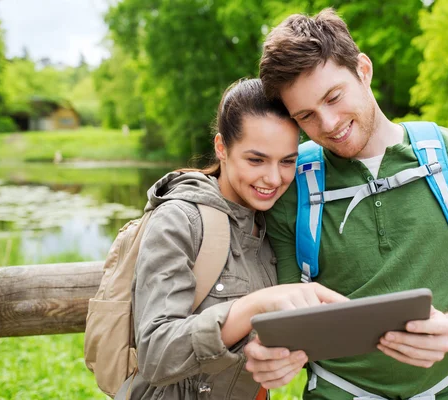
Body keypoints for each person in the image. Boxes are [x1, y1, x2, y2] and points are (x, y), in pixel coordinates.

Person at [243, 9, 448, 400]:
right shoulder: (292, 181)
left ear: (364, 70)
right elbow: (289, 308)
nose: (328, 124)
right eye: (306, 116)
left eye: (334, 97)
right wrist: (271, 353)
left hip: (446, 390)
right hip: (337, 391)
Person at [114, 78, 348, 400]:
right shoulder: (179, 220)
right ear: (222, 147)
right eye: (256, 160)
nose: (274, 178)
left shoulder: (276, 220)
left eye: (287, 161)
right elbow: (157, 354)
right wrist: (254, 305)